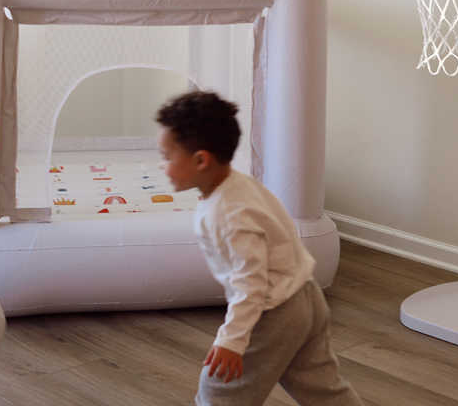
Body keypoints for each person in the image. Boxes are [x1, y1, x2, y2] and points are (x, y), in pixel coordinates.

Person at [156, 90, 364, 406]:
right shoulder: (240, 185)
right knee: (324, 390)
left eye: (167, 157)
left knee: (220, 392)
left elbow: (249, 285)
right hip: (305, 295)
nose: (163, 166)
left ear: (201, 160)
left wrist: (232, 341)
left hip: (273, 313)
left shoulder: (228, 213)